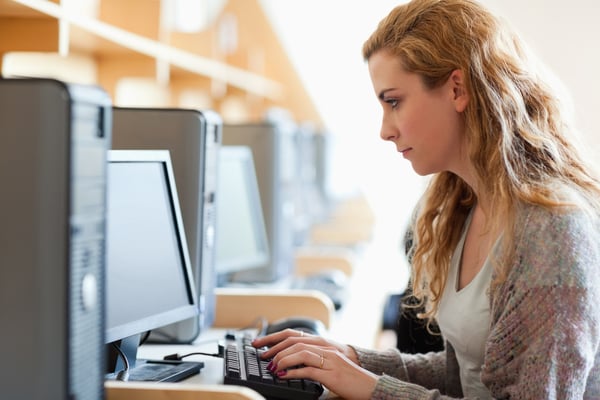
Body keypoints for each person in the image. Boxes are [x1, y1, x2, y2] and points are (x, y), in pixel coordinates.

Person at [251, 0, 600, 398]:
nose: (385, 130)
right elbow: (465, 376)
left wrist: (367, 386)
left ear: (457, 89)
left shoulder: (551, 228)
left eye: (394, 101)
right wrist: (349, 358)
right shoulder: (467, 204)